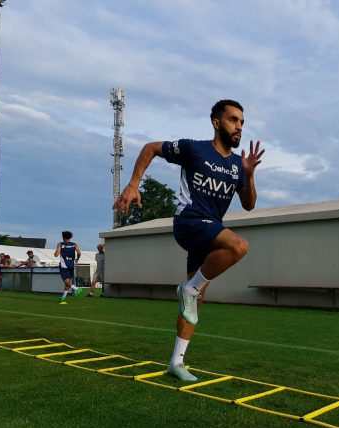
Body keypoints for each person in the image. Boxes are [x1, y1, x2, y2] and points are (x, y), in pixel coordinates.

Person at [113, 99, 265, 381]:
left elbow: (249, 205)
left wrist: (249, 174)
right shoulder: (194, 149)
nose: (239, 127)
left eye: (242, 122)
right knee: (239, 246)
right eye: (233, 120)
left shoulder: (236, 165)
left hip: (209, 232)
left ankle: (176, 361)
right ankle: (190, 289)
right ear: (216, 123)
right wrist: (134, 183)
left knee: (194, 303)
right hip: (189, 221)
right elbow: (151, 148)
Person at [54, 231, 81, 304]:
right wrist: (77, 259)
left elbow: (56, 255)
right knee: (68, 282)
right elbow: (79, 253)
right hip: (71, 265)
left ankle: (77, 289)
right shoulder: (75, 245)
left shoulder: (60, 244)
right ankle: (63, 298)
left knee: (66, 282)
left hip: (64, 266)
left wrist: (56, 251)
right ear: (70, 237)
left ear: (63, 237)